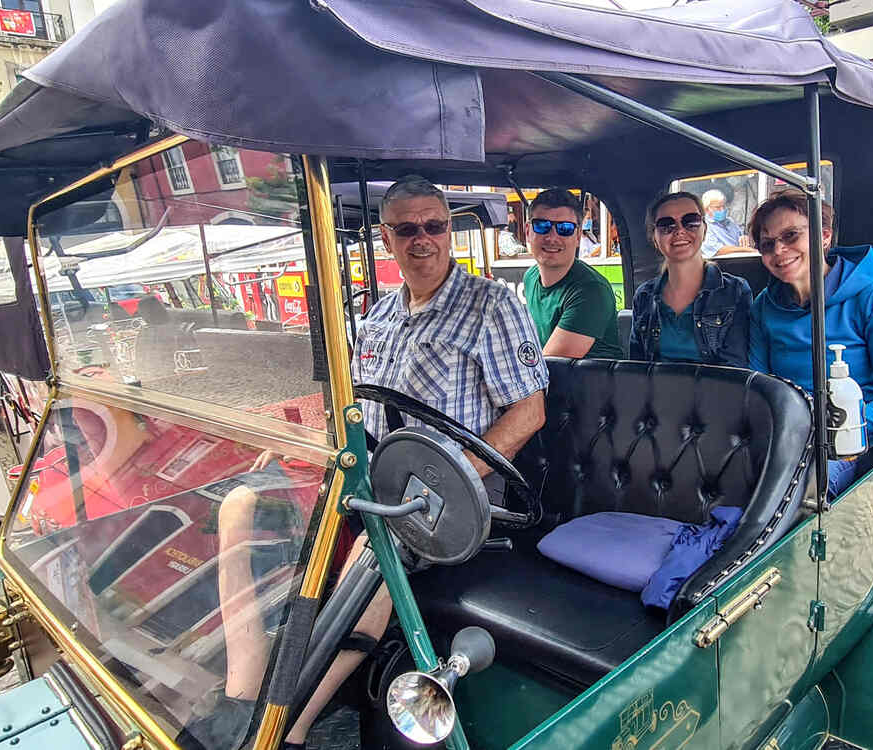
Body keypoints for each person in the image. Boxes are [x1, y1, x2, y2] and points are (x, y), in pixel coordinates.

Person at [223, 176, 548, 749]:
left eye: (434, 226)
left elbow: (529, 414)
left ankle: (287, 730)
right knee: (240, 502)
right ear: (386, 237)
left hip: (452, 492)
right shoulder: (377, 315)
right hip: (371, 472)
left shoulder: (492, 305)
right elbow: (354, 404)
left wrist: (456, 475)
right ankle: (242, 689)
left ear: (450, 230)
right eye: (407, 229)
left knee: (374, 554)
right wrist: (300, 438)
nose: (423, 239)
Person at [747, 187, 873, 496]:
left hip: (843, 442)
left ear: (824, 236)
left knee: (798, 491)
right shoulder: (763, 307)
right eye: (768, 244)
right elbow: (759, 387)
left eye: (791, 236)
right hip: (785, 434)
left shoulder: (872, 296)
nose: (779, 251)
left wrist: (835, 427)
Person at [628, 191, 751, 365]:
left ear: (704, 229)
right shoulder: (644, 296)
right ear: (654, 238)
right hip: (655, 391)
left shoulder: (734, 291)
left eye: (691, 222)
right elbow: (637, 369)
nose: (679, 231)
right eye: (666, 225)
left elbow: (735, 370)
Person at [522, 188, 624, 358]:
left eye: (565, 228)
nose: (552, 237)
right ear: (527, 231)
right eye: (542, 226)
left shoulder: (591, 291)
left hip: (589, 383)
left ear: (577, 236)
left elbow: (550, 366)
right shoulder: (531, 278)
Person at [699, 188, 744, 257]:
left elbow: (741, 236)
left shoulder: (730, 221)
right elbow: (718, 250)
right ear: (706, 209)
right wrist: (746, 250)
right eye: (717, 207)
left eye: (723, 206)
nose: (722, 210)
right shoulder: (703, 226)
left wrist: (745, 239)